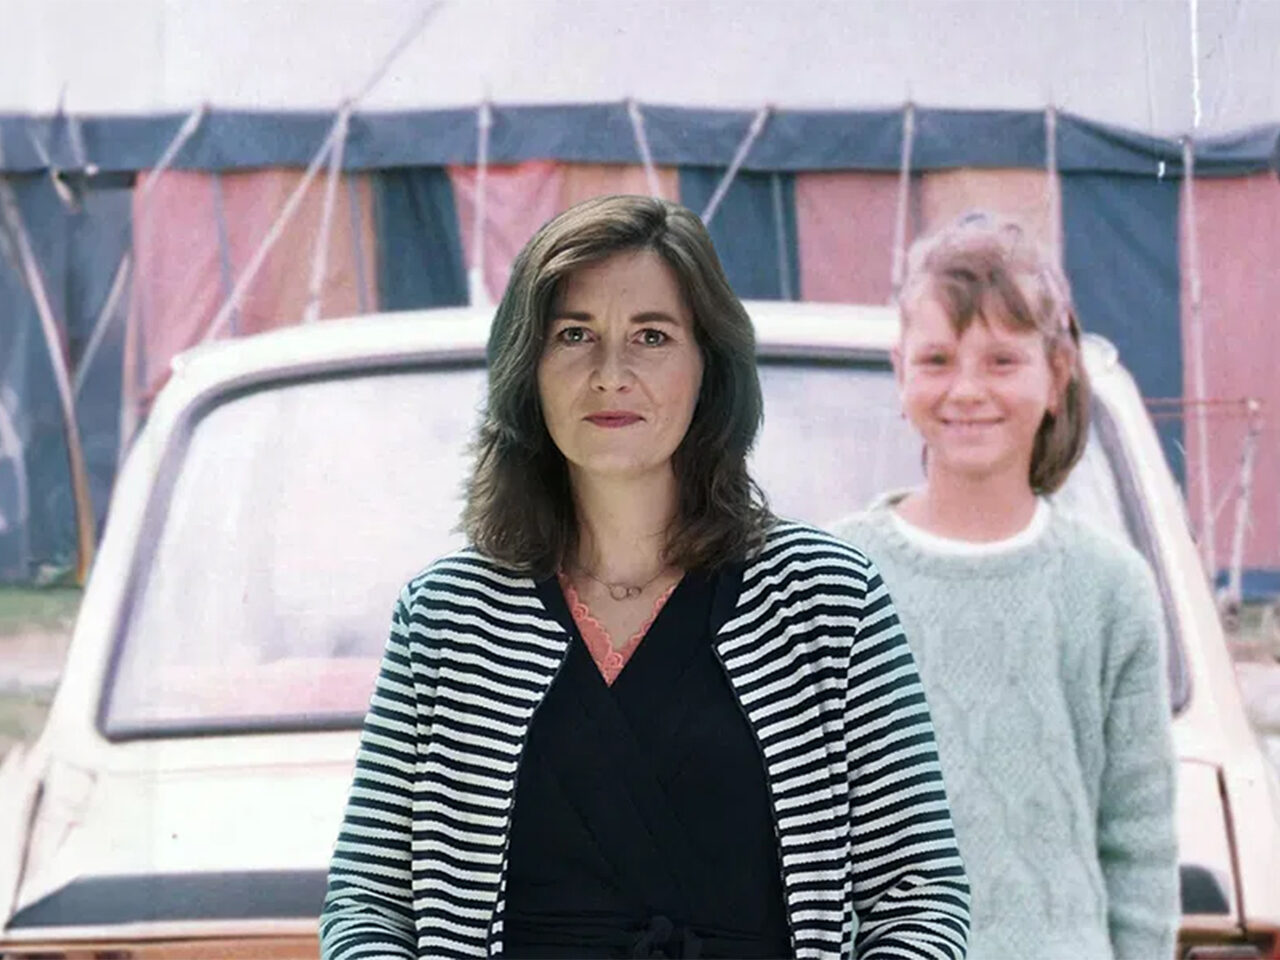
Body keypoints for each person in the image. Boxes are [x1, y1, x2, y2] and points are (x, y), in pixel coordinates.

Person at [319, 195, 970, 960]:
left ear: (708, 366)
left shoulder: (828, 600)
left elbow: (921, 898)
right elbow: (368, 904)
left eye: (651, 336)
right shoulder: (447, 616)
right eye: (574, 335)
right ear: (527, 367)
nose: (611, 375)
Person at [832, 212, 1179, 960]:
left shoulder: (1112, 589)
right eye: (936, 359)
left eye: (1001, 361)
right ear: (900, 372)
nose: (966, 390)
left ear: (1057, 374)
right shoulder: (830, 579)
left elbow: (1141, 843)